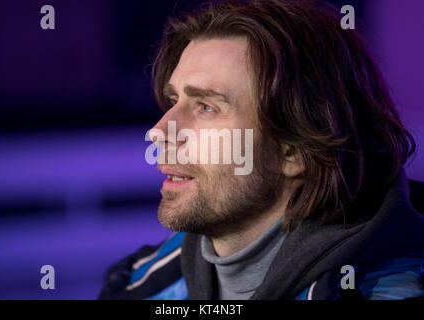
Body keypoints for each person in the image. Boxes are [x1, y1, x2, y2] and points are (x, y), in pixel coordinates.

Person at [99, 0, 424, 300]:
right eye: (174, 101)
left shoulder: (391, 289)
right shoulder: (136, 284)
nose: (159, 132)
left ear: (295, 150)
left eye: (206, 107)